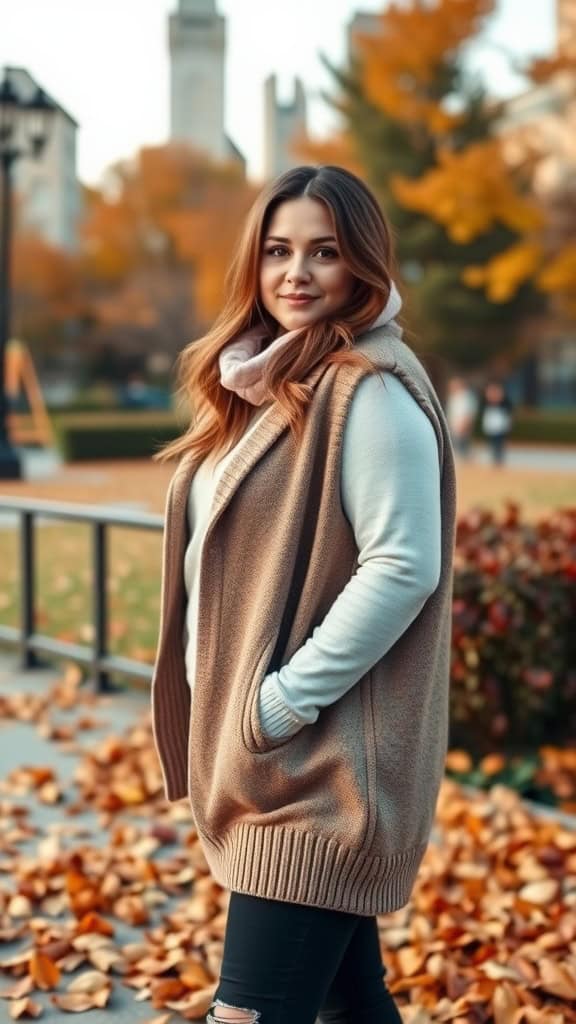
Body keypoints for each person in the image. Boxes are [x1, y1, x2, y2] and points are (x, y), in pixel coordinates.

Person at [150, 165, 457, 1024]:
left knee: (248, 1014)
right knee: (350, 1005)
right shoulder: (267, 385)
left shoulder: (368, 392)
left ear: (363, 263)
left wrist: (280, 703)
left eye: (324, 252)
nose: (297, 273)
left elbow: (404, 566)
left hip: (317, 776)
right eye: (279, 250)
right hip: (276, 765)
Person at [479, 379, 514, 466]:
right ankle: (494, 460)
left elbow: (509, 414)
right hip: (490, 426)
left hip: (500, 426)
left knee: (500, 444)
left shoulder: (505, 402)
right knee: (492, 443)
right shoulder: (485, 402)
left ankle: (499, 460)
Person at [446, 375, 478, 461]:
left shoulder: (466, 397)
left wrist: (465, 424)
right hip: (454, 425)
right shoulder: (453, 397)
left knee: (464, 446)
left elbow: (468, 413)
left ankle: (468, 462)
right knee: (457, 446)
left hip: (462, 425)